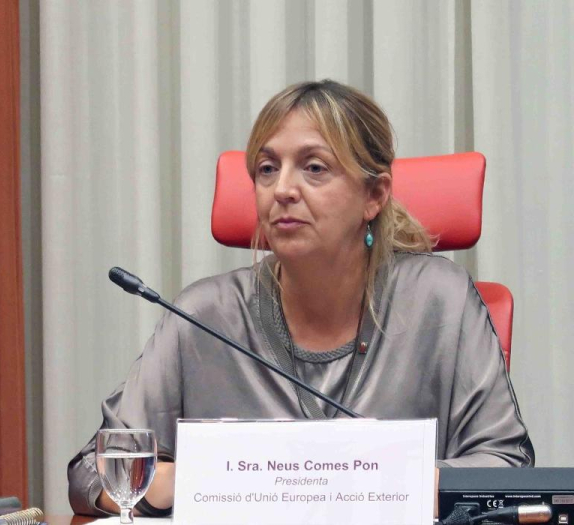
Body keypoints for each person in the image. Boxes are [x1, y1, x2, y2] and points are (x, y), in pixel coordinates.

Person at [67, 80, 533, 516]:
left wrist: (366, 483)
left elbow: (508, 467)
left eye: (314, 168)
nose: (283, 190)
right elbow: (93, 472)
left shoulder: (440, 301)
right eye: (267, 169)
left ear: (374, 195)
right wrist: (198, 480)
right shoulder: (203, 316)